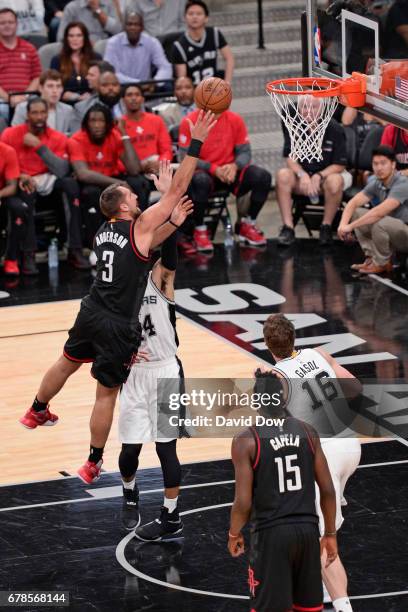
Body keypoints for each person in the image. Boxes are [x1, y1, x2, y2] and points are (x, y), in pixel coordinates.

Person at [19, 111, 217, 486]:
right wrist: (196, 141)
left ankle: (36, 410)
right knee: (105, 394)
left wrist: (173, 223)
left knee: (66, 360)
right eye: (131, 194)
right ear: (124, 208)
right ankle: (93, 461)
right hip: (117, 324)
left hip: (90, 309)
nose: (136, 194)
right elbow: (175, 193)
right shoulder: (139, 225)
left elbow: (150, 242)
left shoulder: (103, 232)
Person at [262, 313, 361, 612]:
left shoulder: (275, 377)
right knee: (328, 525)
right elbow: (355, 387)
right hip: (350, 446)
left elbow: (270, 430)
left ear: (268, 345)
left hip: (326, 456)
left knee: (321, 538)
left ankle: (341, 605)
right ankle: (324, 588)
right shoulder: (320, 354)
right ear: (294, 336)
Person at [229, 369, 337, 612]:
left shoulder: (246, 440)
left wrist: (234, 533)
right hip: (308, 533)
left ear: (256, 402)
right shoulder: (308, 432)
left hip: (271, 536)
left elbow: (243, 502)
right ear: (283, 399)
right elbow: (328, 490)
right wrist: (330, 533)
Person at [119, 232, 184, 540]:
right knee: (129, 450)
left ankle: (171, 516)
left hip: (165, 370)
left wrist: (172, 220)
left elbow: (169, 260)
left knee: (165, 449)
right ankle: (129, 492)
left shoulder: (158, 277)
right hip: (133, 373)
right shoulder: (117, 287)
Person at [1, 97, 90, 275]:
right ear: (27, 115)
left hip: (50, 183)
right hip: (22, 182)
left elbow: (63, 170)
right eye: (35, 113)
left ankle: (75, 248)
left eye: (43, 112)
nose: (39, 117)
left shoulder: (56, 137)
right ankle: (29, 254)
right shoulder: (11, 134)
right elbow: (6, 166)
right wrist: (21, 176)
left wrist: (39, 147)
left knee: (70, 185)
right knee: (27, 190)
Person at [178, 106, 270, 251]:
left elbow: (245, 153)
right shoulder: (189, 121)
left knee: (262, 177)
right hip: (205, 174)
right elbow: (183, 156)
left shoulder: (235, 119)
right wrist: (213, 169)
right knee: (199, 180)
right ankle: (200, 230)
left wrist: (234, 166)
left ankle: (248, 224)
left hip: (229, 173)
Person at [68, 102, 150, 241]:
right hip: (92, 182)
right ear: (86, 124)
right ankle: (95, 243)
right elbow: (83, 174)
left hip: (112, 178)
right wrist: (118, 183)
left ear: (108, 123)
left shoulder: (113, 135)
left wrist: (124, 134)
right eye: (93, 121)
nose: (97, 125)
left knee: (139, 183)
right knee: (91, 192)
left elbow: (134, 169)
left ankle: (137, 235)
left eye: (101, 121)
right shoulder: (76, 140)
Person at [275, 96, 350, 247]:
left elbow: (339, 165)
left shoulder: (335, 128)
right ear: (299, 110)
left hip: (326, 177)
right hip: (303, 177)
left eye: (314, 107)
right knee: (282, 175)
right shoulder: (294, 127)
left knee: (335, 181)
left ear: (322, 110)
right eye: (304, 107)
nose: (308, 111)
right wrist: (302, 175)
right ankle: (288, 228)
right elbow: (290, 159)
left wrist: (318, 176)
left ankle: (326, 227)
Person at [338, 145, 408, 273]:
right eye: (375, 164)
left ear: (393, 165)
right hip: (394, 229)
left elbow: (379, 212)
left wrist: (351, 226)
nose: (379, 168)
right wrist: (342, 225)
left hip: (405, 232)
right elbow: (353, 203)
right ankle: (372, 259)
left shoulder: (402, 183)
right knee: (357, 212)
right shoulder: (377, 182)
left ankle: (383, 263)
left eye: (383, 163)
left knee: (378, 221)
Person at [172, 0, 234, 85]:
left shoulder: (214, 33)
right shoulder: (179, 46)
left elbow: (229, 58)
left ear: (206, 18)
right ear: (185, 18)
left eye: (199, 14)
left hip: (214, 88)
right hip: (194, 92)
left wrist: (227, 82)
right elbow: (183, 81)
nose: (194, 17)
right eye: (191, 14)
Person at [104, 11, 172, 85]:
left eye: (136, 25)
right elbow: (111, 73)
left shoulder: (152, 42)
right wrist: (138, 84)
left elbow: (165, 67)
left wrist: (154, 83)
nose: (132, 28)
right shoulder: (113, 43)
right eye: (129, 24)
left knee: (167, 86)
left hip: (147, 89)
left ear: (142, 28)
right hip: (121, 87)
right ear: (124, 27)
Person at [121, 84, 173, 177]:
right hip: (132, 171)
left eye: (137, 95)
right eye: (129, 95)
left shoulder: (156, 120)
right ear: (123, 100)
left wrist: (160, 163)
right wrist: (138, 166)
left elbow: (166, 150)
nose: (133, 98)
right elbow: (117, 157)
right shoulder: (119, 125)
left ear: (143, 99)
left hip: (157, 168)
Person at [0, 8, 41, 122]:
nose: (7, 26)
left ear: (17, 24)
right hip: (1, 100)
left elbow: (37, 77)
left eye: (10, 22)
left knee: (36, 109)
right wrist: (8, 98)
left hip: (27, 98)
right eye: (2, 23)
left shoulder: (30, 48)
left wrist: (24, 97)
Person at [12, 69, 76, 135]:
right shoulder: (23, 108)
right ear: (40, 88)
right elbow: (15, 135)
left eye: (58, 86)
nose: (55, 91)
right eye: (50, 86)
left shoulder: (68, 110)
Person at [51, 22, 101, 104]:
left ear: (85, 38)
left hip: (91, 102)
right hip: (65, 103)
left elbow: (101, 84)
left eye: (79, 35)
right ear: (66, 38)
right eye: (71, 36)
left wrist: (91, 95)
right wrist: (66, 94)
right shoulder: (57, 60)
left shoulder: (96, 58)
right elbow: (53, 86)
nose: (75, 39)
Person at [57, 1, 121, 42]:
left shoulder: (109, 4)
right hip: (80, 47)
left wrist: (97, 10)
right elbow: (61, 37)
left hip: (103, 47)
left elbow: (117, 31)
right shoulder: (71, 8)